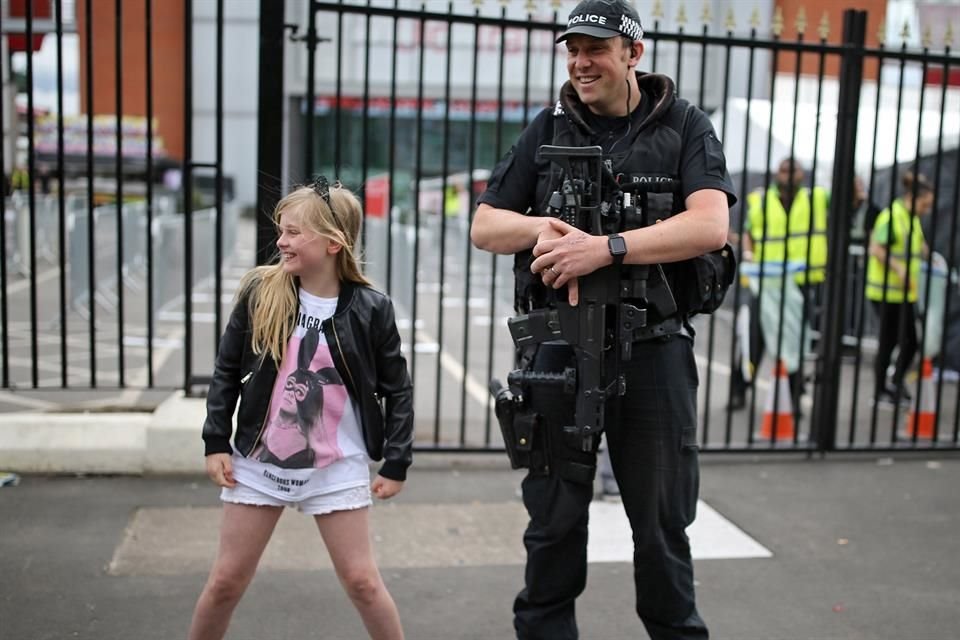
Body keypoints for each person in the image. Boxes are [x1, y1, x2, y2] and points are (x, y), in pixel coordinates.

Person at [471, 1, 735, 637]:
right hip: (561, 350)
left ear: (632, 54)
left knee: (663, 526)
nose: (580, 63)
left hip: (654, 351)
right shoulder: (548, 126)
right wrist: (544, 228)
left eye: (595, 49)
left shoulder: (684, 125)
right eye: (573, 50)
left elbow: (710, 224)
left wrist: (608, 247)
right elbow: (485, 224)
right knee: (555, 523)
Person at [189, 177, 413, 640]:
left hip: (337, 465)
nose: (281, 241)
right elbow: (226, 370)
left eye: (294, 232)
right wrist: (216, 441)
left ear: (333, 243)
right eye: (281, 230)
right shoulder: (261, 292)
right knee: (225, 582)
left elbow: (399, 389)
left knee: (364, 583)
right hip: (257, 461)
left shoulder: (372, 309)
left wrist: (397, 459)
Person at [735, 157, 828, 413]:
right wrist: (749, 256)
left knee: (796, 342)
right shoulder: (761, 200)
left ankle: (794, 397)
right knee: (754, 339)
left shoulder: (816, 198)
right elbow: (748, 232)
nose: (788, 175)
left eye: (793, 170)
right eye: (784, 170)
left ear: (802, 174)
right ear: (777, 173)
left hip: (800, 282)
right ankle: (739, 390)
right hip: (766, 283)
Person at [865, 169, 934, 406]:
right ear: (913, 199)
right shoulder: (892, 216)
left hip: (904, 292)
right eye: (925, 205)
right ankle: (880, 390)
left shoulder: (910, 218)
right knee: (889, 341)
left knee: (911, 341)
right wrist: (898, 268)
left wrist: (927, 255)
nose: (926, 210)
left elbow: (915, 245)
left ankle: (894, 382)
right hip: (884, 291)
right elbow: (876, 248)